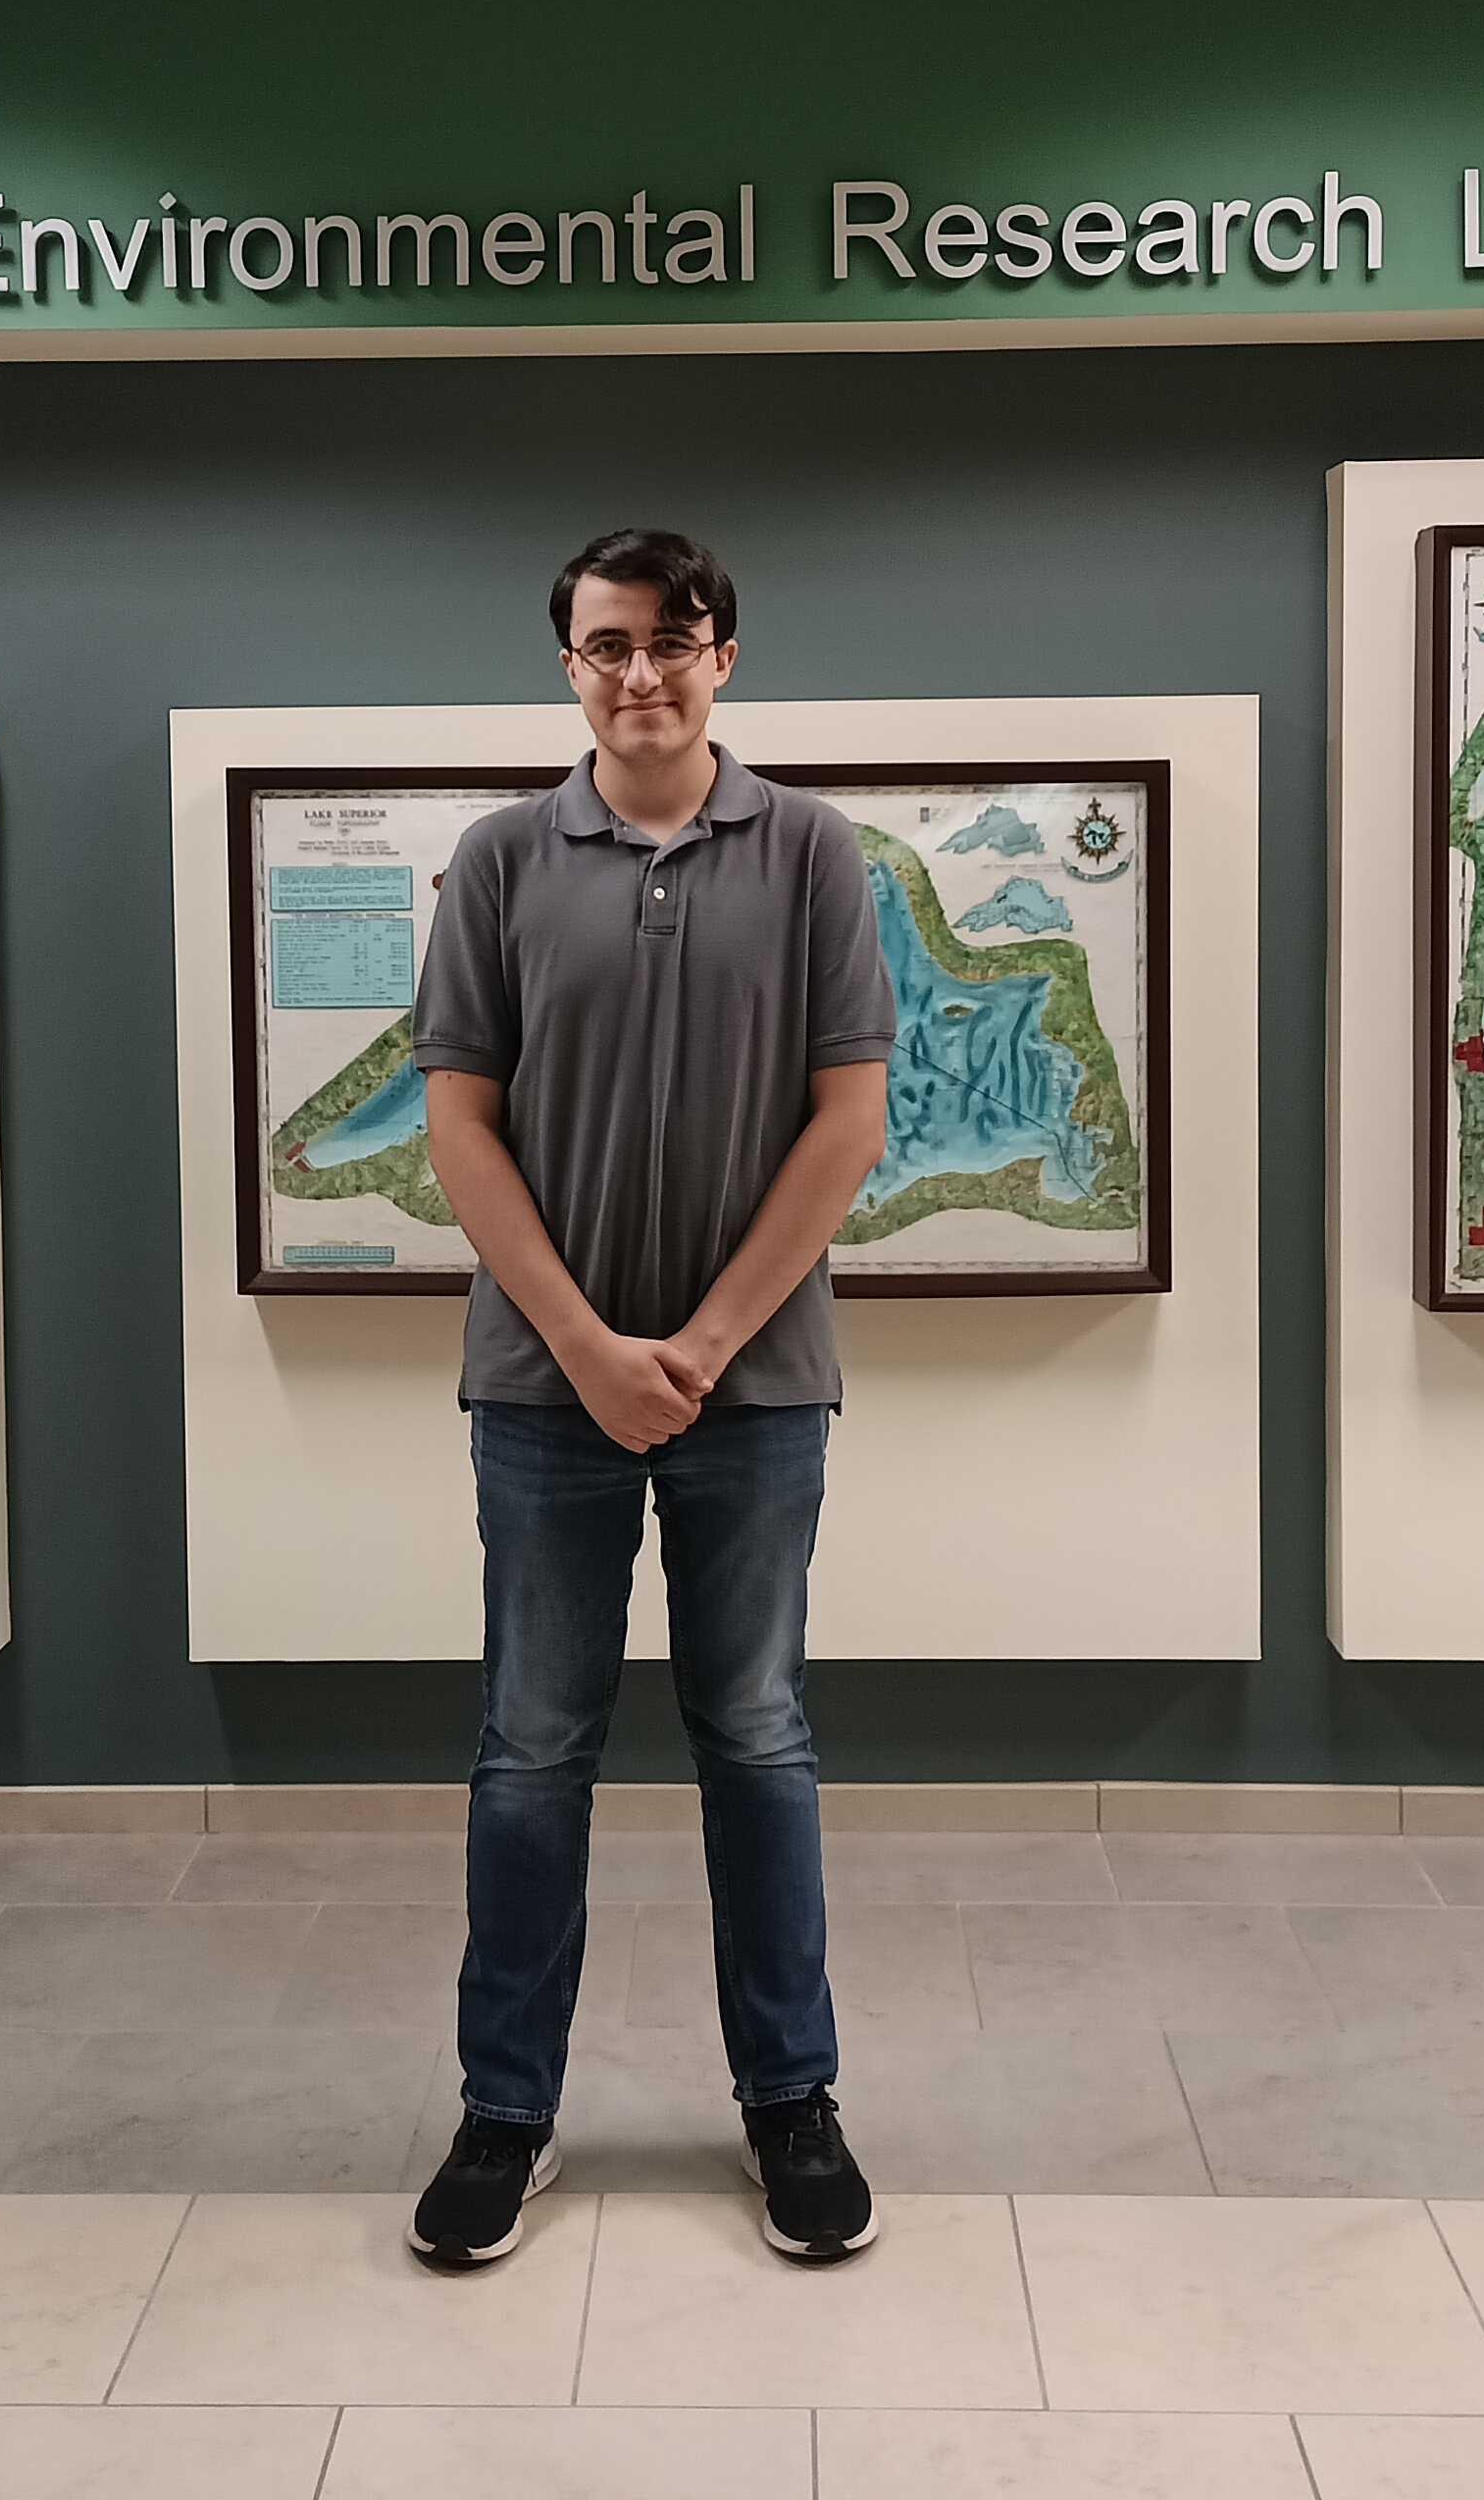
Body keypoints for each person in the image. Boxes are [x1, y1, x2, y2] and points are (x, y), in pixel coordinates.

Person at [401, 528, 897, 2272]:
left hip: (756, 1395)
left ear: (726, 657)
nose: (641, 674)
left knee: (756, 1740)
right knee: (533, 1750)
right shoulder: (502, 861)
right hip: (545, 1397)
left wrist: (699, 1344)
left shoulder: (818, 852)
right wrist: (598, 1352)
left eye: (673, 643)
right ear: (569, 666)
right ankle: (506, 2114)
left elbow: (849, 1121)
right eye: (608, 646)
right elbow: (461, 1130)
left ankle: (793, 2104)